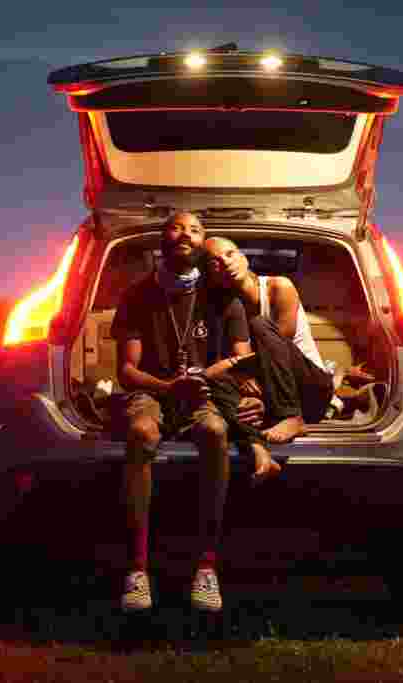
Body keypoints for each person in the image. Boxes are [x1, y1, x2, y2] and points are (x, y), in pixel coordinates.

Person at [109, 212, 272, 615]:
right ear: (162, 238)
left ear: (204, 245)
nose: (185, 233)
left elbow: (242, 360)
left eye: (196, 229)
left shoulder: (222, 295)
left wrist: (249, 393)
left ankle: (206, 568)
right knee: (142, 432)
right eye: (177, 227)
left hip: (203, 394)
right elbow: (126, 372)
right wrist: (167, 388)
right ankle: (138, 570)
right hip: (153, 391)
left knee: (215, 431)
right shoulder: (138, 294)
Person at [203, 237, 342, 444]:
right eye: (215, 262)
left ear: (244, 258)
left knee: (260, 325)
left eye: (230, 254)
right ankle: (253, 434)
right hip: (267, 395)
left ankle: (292, 417)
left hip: (310, 388)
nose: (225, 262)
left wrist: (229, 365)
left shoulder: (279, 287)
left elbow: (275, 351)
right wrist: (236, 377)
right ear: (209, 276)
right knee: (210, 380)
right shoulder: (224, 308)